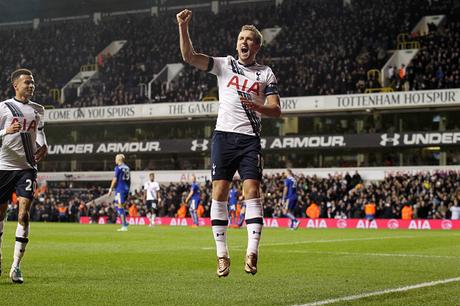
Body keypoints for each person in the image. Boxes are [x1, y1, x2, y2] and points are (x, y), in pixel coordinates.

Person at [177, 9, 281, 277]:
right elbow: (189, 57)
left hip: (249, 140)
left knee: (252, 191)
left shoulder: (265, 73)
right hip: (223, 137)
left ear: (256, 46)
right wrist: (183, 27)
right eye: (240, 38)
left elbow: (276, 109)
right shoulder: (225, 65)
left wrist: (261, 106)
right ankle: (222, 256)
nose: (243, 42)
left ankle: (252, 252)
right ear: (237, 44)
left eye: (249, 39)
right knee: (219, 194)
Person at [0, 68, 48, 284]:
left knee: (24, 214)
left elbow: (40, 131)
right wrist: (5, 132)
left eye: (33, 82)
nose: (31, 85)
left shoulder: (39, 109)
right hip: (3, 167)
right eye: (27, 82)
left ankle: (16, 266)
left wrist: (44, 145)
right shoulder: (3, 108)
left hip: (27, 167)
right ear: (15, 85)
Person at [108, 154, 131, 231]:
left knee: (119, 206)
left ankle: (124, 226)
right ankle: (125, 222)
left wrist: (110, 189)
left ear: (119, 160)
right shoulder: (127, 167)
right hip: (126, 189)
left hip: (120, 189)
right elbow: (129, 180)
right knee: (117, 205)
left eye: (116, 158)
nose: (115, 160)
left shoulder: (118, 168)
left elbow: (115, 179)